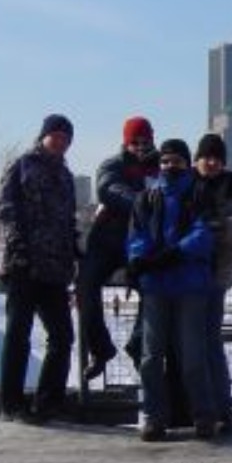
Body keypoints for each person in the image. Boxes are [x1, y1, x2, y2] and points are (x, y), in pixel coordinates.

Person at [127, 139, 217, 442]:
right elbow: (136, 235)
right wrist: (139, 259)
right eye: (165, 161)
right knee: (151, 356)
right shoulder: (147, 196)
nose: (169, 166)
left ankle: (204, 415)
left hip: (190, 285)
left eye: (176, 161)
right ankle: (153, 417)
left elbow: (204, 234)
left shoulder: (200, 193)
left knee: (192, 356)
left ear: (187, 163)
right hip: (156, 286)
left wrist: (174, 253)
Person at [0, 114, 80, 423]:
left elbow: (69, 221)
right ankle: (12, 403)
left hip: (54, 270)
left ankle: (49, 400)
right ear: (43, 136)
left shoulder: (67, 178)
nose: (60, 141)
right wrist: (19, 247)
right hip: (23, 265)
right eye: (55, 135)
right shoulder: (22, 166)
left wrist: (75, 251)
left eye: (66, 137)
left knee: (62, 336)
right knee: (18, 334)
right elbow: (6, 209)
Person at [78, 116, 158, 381]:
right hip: (107, 241)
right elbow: (107, 188)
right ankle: (100, 350)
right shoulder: (113, 164)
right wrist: (141, 203)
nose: (139, 146)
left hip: (140, 244)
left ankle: (137, 345)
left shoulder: (160, 168)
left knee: (152, 288)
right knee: (85, 285)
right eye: (134, 141)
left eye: (144, 141)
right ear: (125, 142)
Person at [192, 133, 232, 436]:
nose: (213, 162)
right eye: (207, 156)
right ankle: (196, 409)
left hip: (214, 277)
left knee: (210, 345)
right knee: (192, 347)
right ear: (197, 159)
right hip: (185, 277)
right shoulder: (184, 182)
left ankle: (221, 410)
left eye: (218, 157)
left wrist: (220, 225)